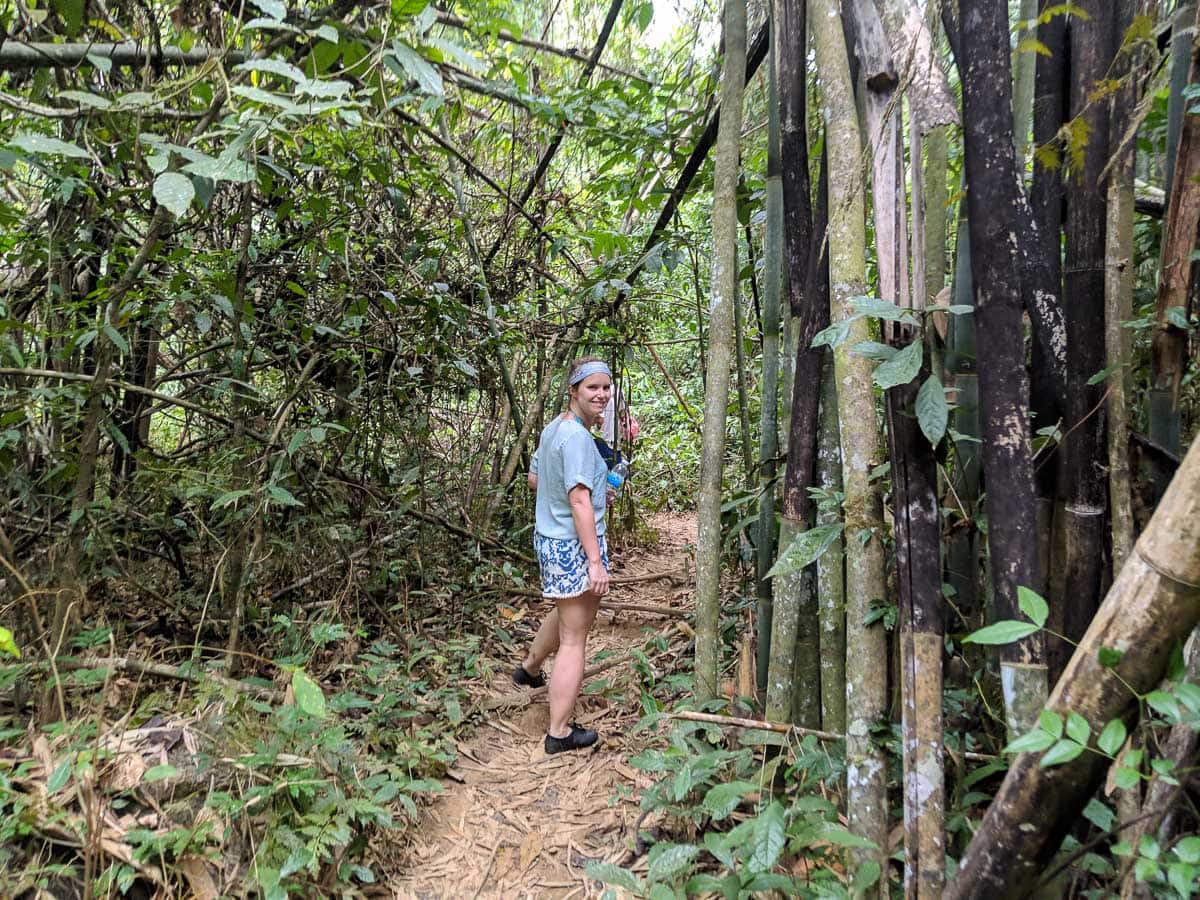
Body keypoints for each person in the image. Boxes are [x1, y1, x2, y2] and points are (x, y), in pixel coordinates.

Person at [516, 357, 613, 754]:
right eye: (592, 388)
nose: (601, 395)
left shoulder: (555, 428)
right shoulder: (574, 437)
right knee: (575, 638)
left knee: (563, 613)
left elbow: (536, 478)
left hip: (550, 538)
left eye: (606, 388)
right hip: (573, 544)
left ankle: (529, 669)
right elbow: (577, 500)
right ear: (574, 390)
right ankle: (558, 733)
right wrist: (594, 560)